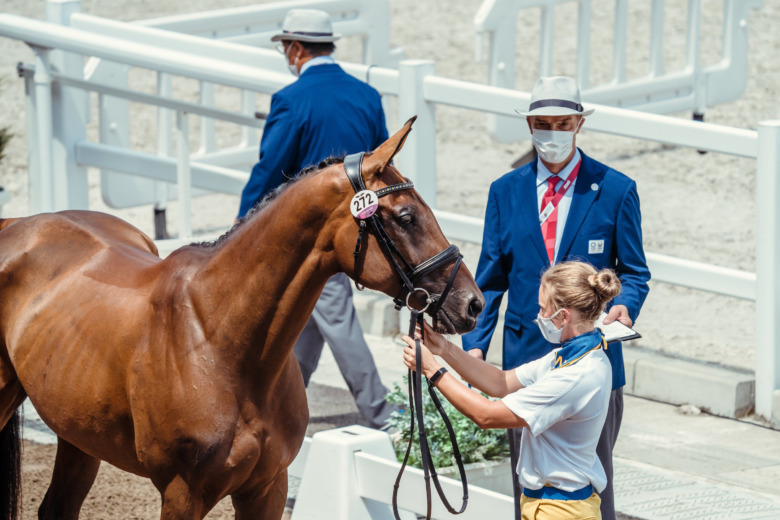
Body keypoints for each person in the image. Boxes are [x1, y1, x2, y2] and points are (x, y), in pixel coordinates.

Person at [461, 76, 651, 520]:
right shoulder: (504, 191)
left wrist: (626, 304)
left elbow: (636, 272)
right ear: (529, 124)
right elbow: (491, 280)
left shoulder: (616, 189)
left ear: (579, 124)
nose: (551, 133)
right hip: (525, 358)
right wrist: (474, 348)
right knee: (526, 481)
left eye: (561, 123)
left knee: (589, 481)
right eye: (541, 124)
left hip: (590, 359)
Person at [237, 8, 395, 429]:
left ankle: (382, 414)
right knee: (312, 318)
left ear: (297, 48)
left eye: (286, 47)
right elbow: (381, 162)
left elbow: (270, 170)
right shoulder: (367, 96)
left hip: (309, 234)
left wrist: (241, 226)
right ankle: (282, 399)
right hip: (363, 224)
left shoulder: (291, 100)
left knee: (335, 317)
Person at [402, 262, 622, 519]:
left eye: (543, 308)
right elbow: (500, 382)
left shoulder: (575, 376)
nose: (538, 316)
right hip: (551, 504)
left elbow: (487, 416)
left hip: (559, 510)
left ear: (564, 316)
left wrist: (433, 370)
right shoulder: (575, 355)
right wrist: (442, 348)